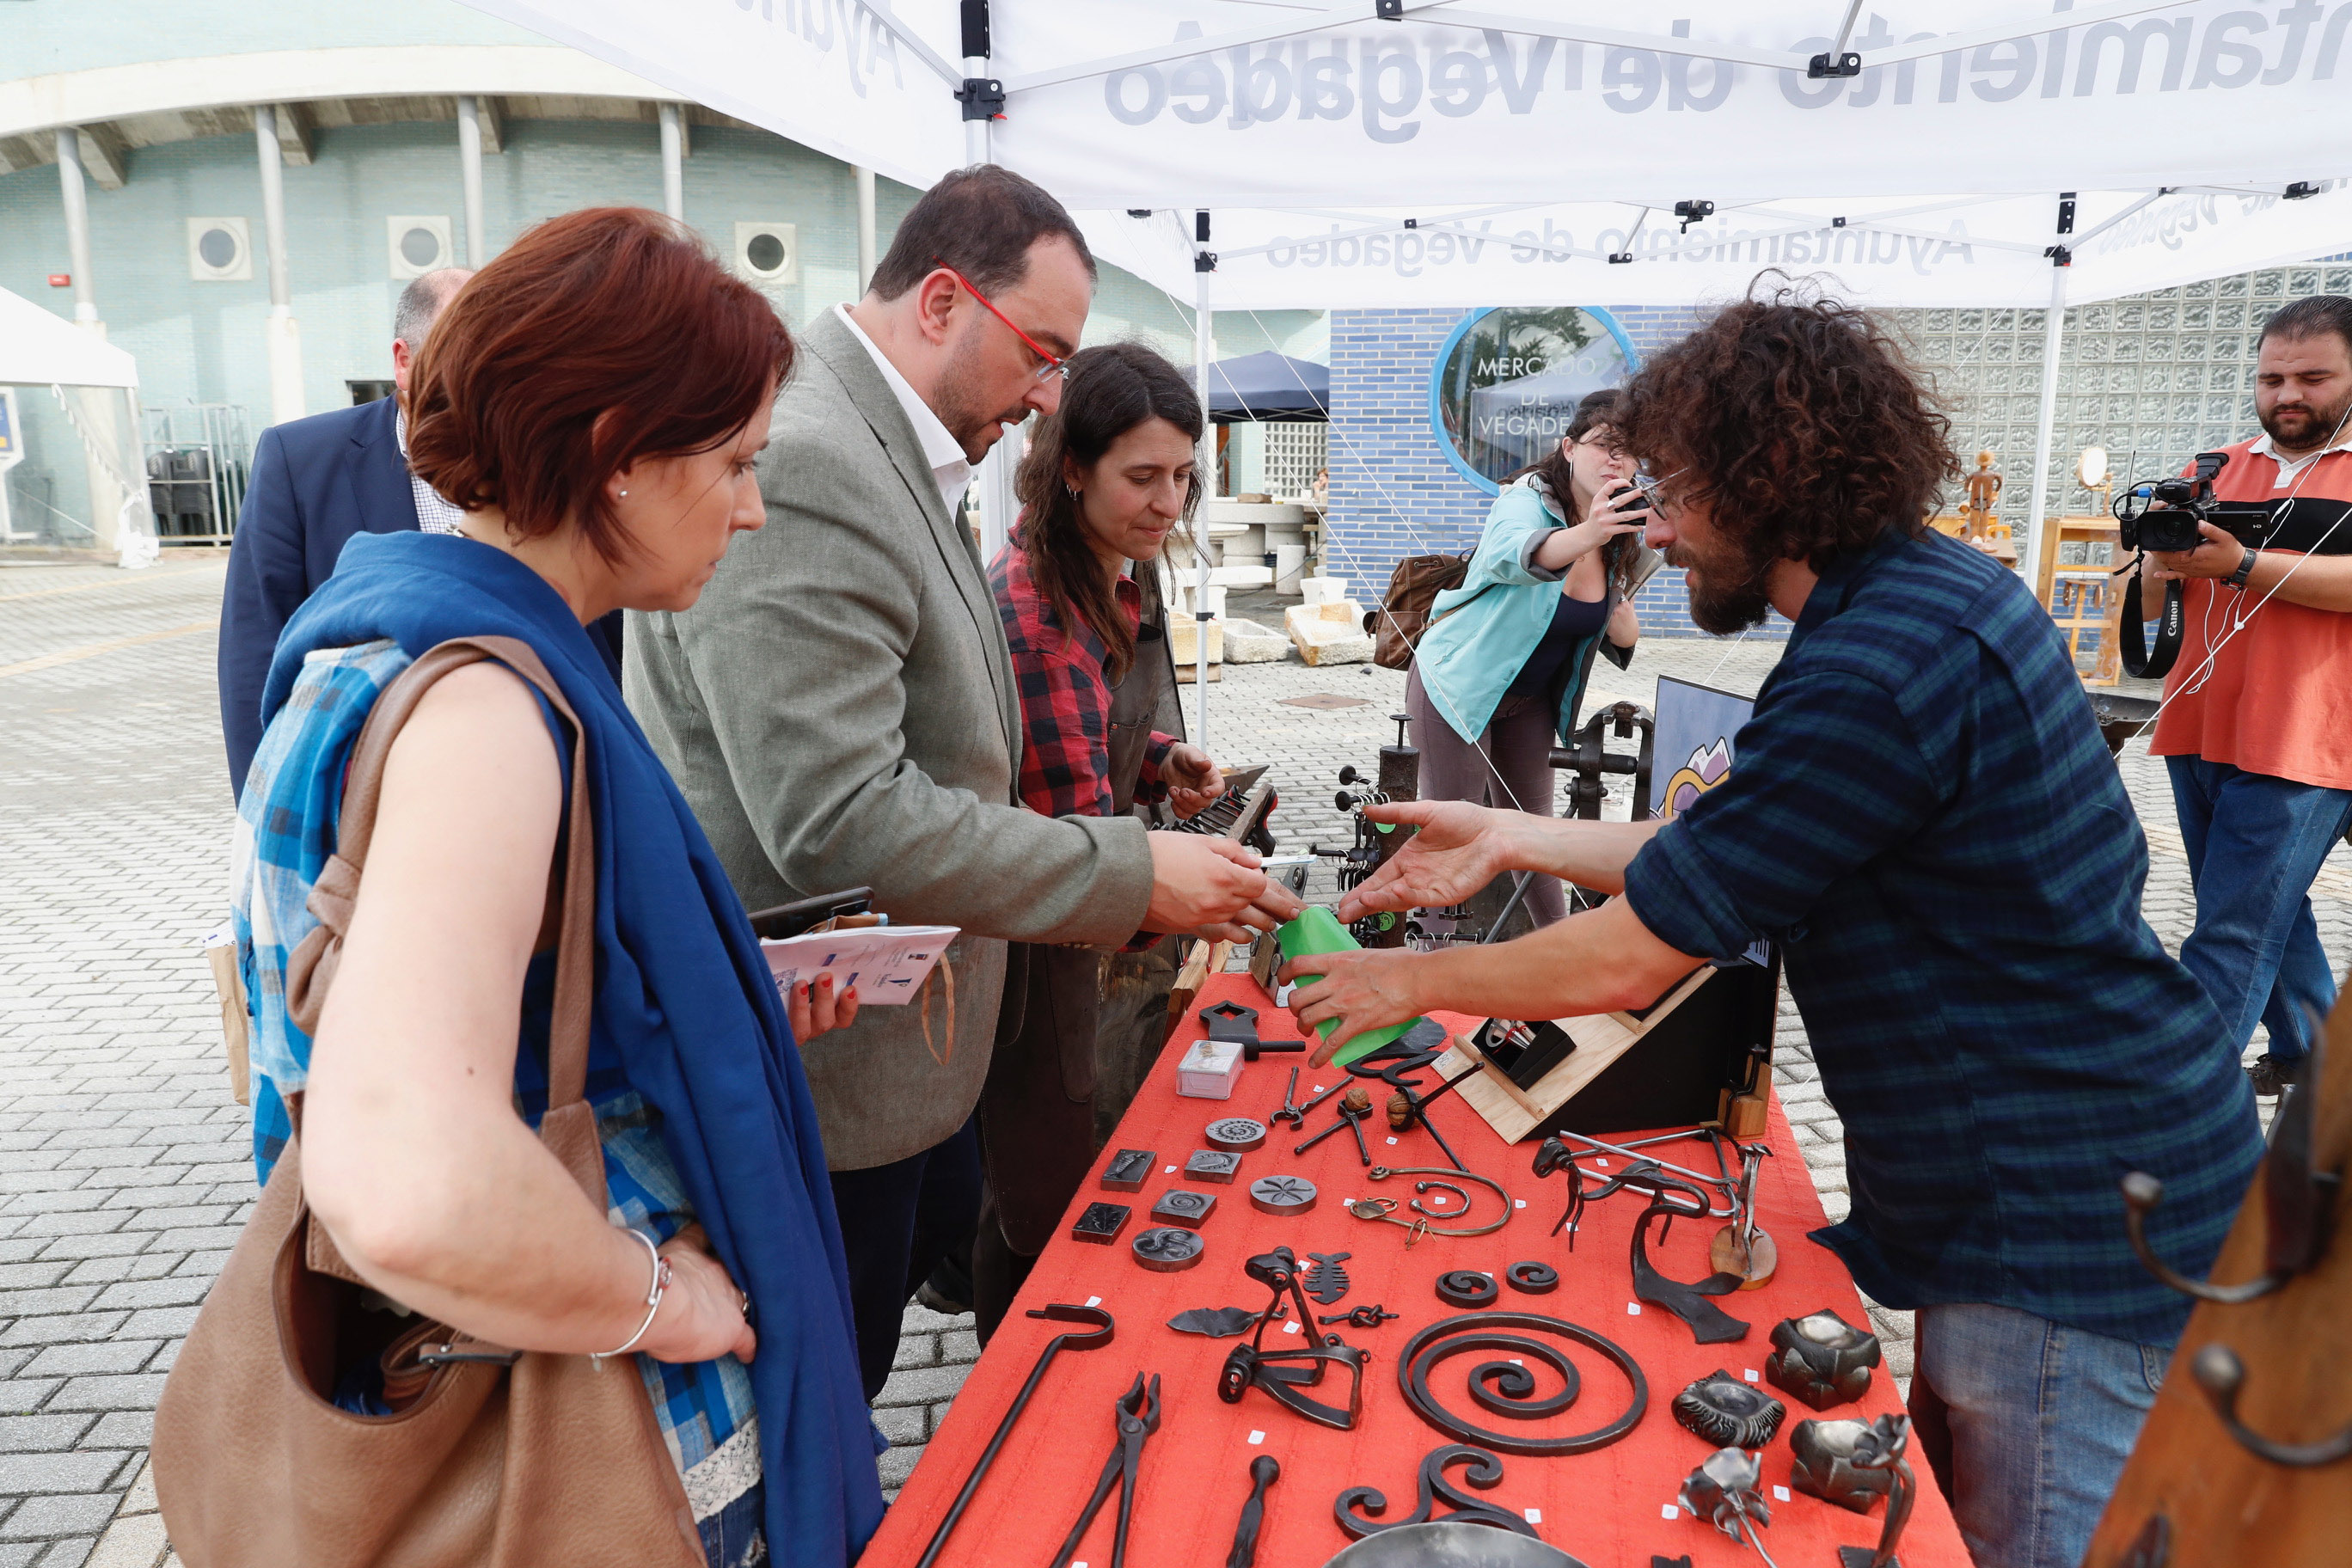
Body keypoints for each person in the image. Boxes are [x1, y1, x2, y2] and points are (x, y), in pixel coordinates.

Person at [1282, 286, 2262, 1568]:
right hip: (2053, 1184)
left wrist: (1414, 985)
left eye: (1675, 495)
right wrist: (1510, 839)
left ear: (1768, 475)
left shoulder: (1880, 664)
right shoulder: (1910, 600)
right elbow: (1739, 843)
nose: (1659, 534)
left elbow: (1642, 948)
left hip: (2065, 1217)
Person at [223, 209, 880, 1565]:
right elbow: (408, 1181)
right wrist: (660, 1302)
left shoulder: (387, 647)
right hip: (594, 1443)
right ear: (617, 454)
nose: (753, 507)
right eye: (736, 462)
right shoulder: (484, 713)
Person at [625, 165, 1297, 1401]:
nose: (1046, 394)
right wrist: (1133, 870)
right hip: (832, 1077)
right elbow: (838, 818)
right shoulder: (818, 457)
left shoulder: (879, 443)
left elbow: (950, 732)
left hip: (905, 1049)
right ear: (941, 302)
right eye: (1041, 355)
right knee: (820, 1397)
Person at [972, 341, 1228, 1337]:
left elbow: (1084, 727)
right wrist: (1206, 893)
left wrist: (1158, 758)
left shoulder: (1102, 573)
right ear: (1072, 467)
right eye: (1143, 476)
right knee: (1042, 1199)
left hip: (1085, 912)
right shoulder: (1041, 611)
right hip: (1043, 945)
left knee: (1050, 1174)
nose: (1169, 502)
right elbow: (1076, 849)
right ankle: (1023, 1373)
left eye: (1184, 475)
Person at [216, 264, 625, 799]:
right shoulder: (300, 461)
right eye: (466, 359)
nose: (488, 384)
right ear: (404, 361)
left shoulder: (549, 459)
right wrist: (271, 805)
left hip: (547, 777)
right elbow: (254, 653)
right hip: (367, 789)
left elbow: (607, 637)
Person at [2141, 293, 2352, 1095]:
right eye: (2271, 379)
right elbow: (2154, 597)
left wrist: (2240, 564)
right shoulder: (2213, 468)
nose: (2287, 395)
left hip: (2310, 735)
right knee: (2265, 910)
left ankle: (2174, 1109)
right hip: (2199, 720)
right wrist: (2159, 558)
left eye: (2313, 378)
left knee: (2232, 930)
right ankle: (2313, 1064)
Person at [1406, 389, 1651, 926]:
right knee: (1453, 832)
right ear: (1569, 447)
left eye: (1629, 450)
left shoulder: (1620, 528)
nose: (1616, 460)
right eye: (1604, 444)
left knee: (1534, 837)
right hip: (1458, 686)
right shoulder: (1526, 500)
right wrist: (1591, 531)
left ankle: (1561, 956)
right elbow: (1509, 555)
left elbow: (1605, 626)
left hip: (1530, 702)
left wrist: (1625, 628)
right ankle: (1430, 953)